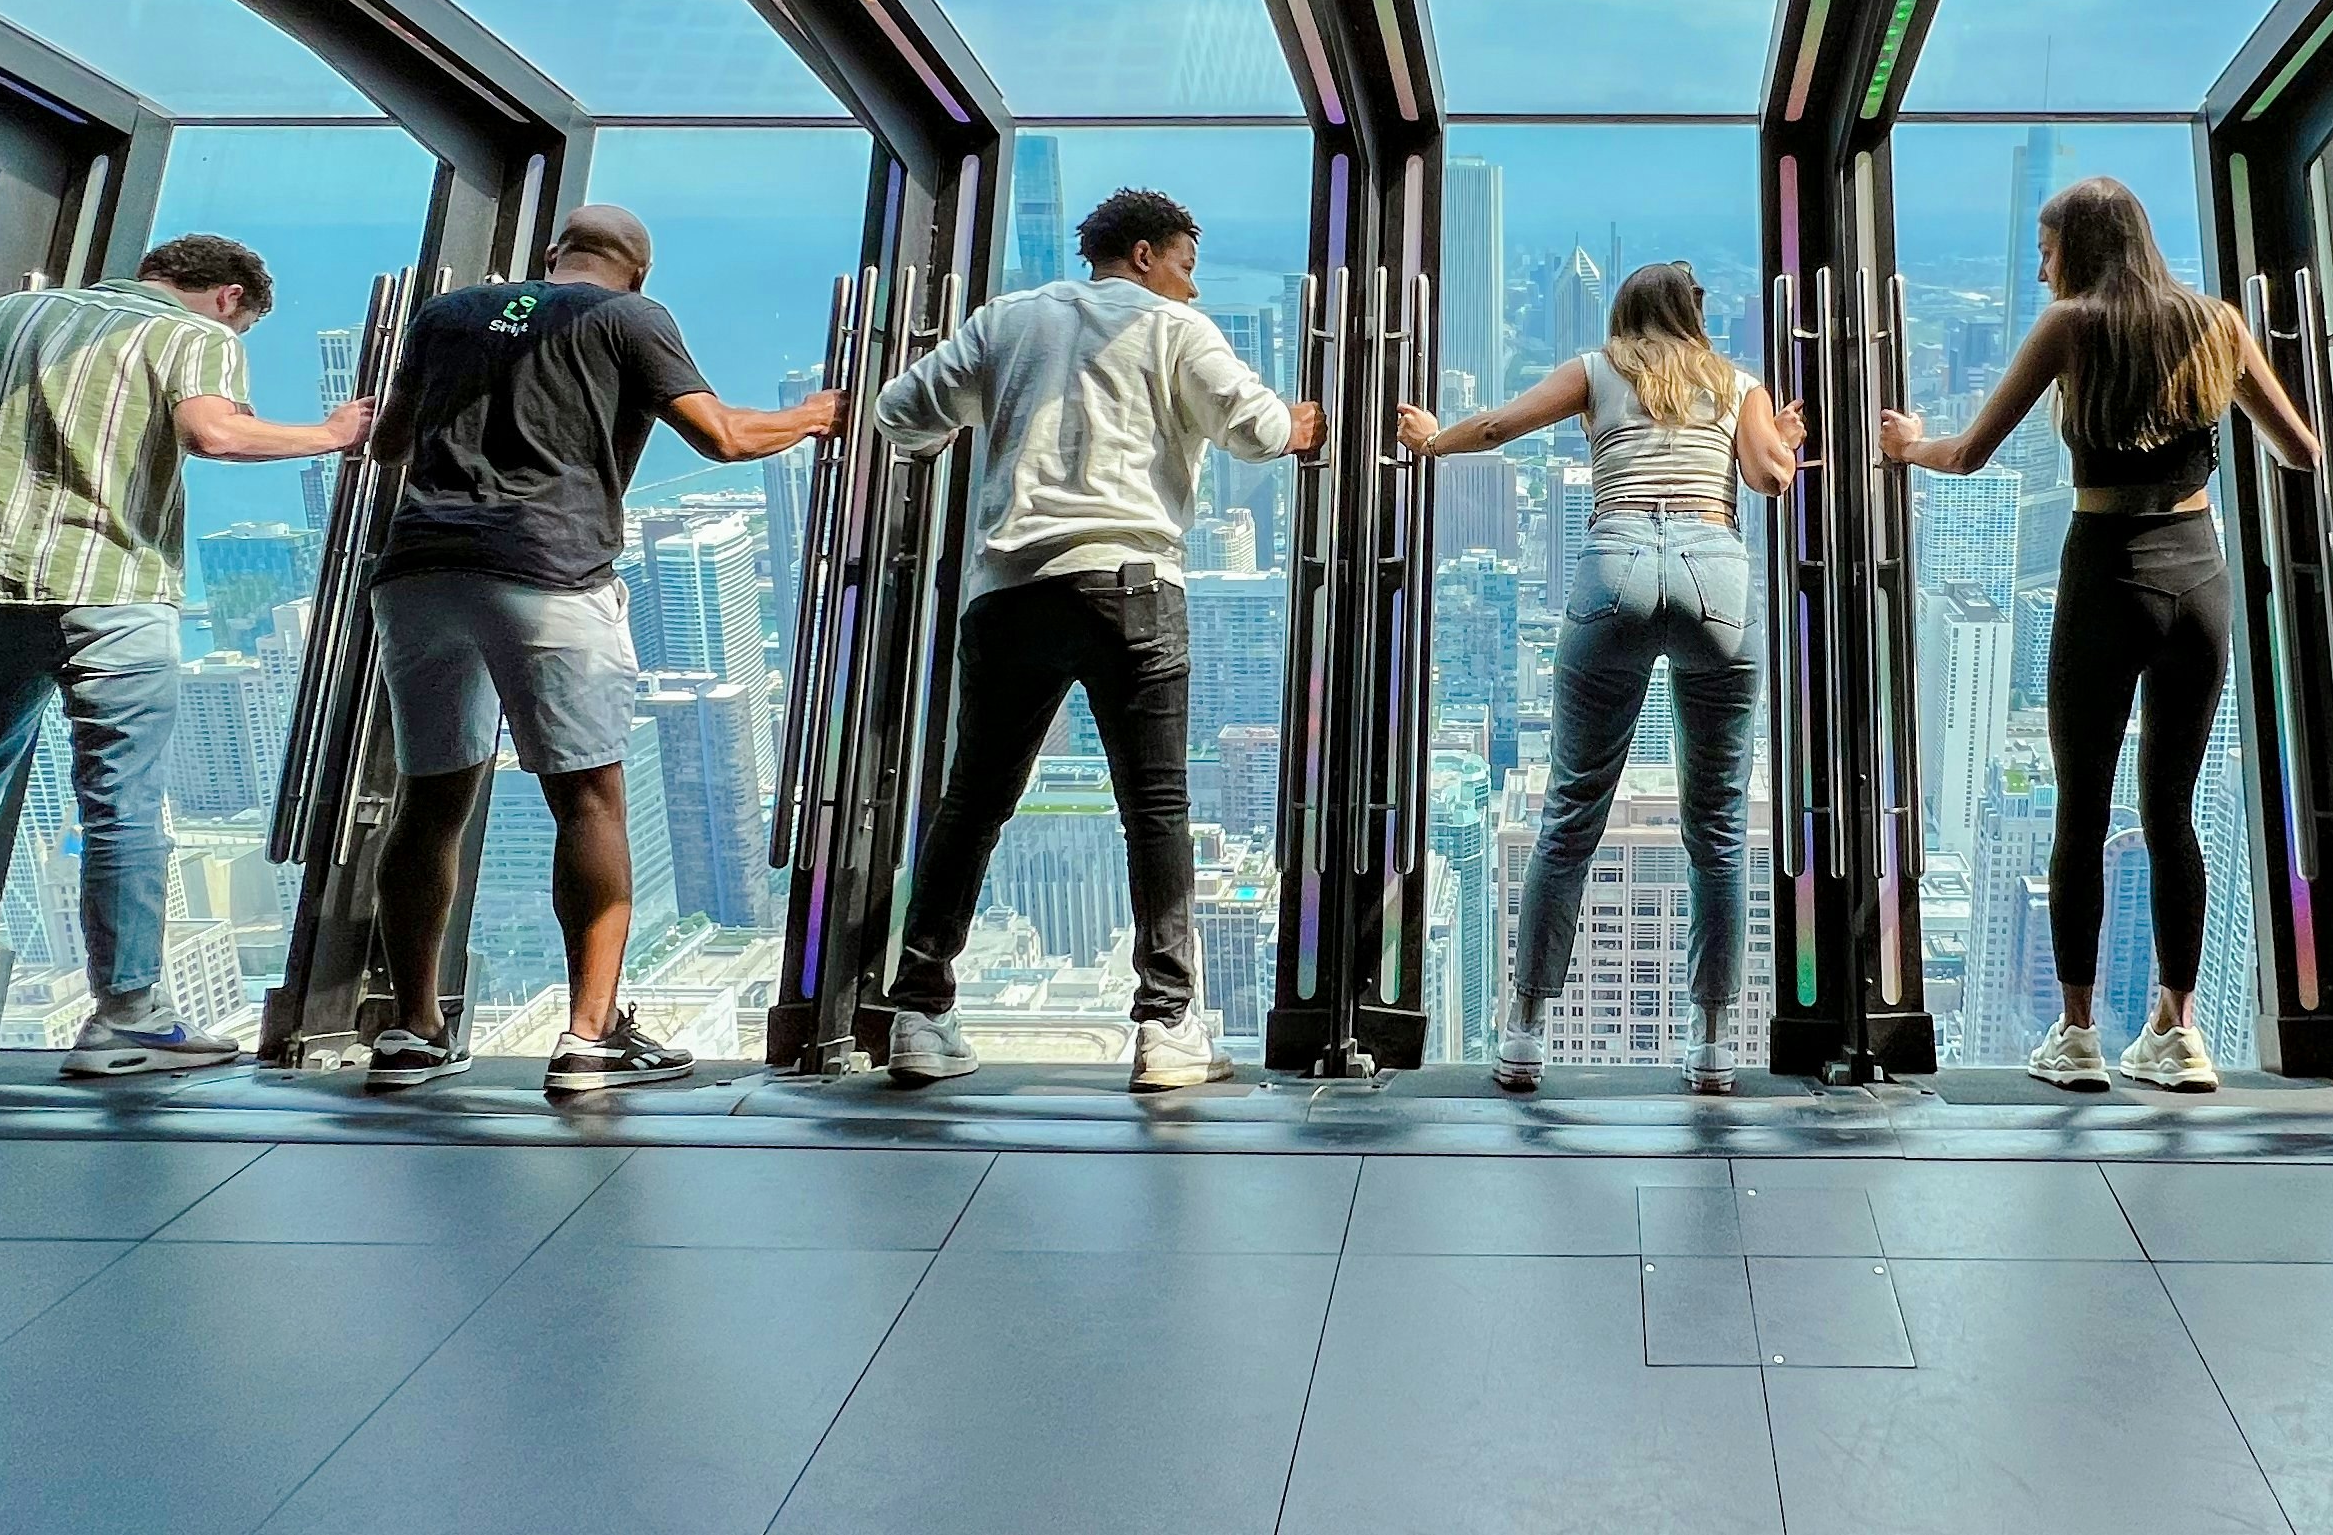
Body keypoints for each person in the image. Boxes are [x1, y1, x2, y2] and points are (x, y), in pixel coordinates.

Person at [0, 235, 373, 1078]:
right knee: (121, 803)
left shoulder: (12, 315)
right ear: (228, 297)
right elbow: (214, 435)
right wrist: (331, 433)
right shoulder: (198, 337)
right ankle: (128, 1017)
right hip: (114, 591)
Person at [359, 205, 840, 1097]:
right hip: (549, 572)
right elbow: (725, 438)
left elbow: (389, 443)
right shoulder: (630, 318)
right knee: (589, 799)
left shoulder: (448, 312)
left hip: (416, 572)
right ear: (640, 272)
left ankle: (412, 1028)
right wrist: (814, 416)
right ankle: (590, 1037)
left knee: (429, 802)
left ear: (550, 256)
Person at [874, 187, 1322, 1094]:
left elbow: (899, 411)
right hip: (1131, 587)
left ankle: (919, 1013)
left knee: (973, 804)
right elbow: (1261, 429)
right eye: (1188, 268)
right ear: (1149, 254)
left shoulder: (1007, 320)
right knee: (1153, 810)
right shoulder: (1172, 328)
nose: (1192, 289)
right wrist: (1300, 425)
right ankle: (1165, 1030)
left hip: (1008, 591)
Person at [1882, 178, 2321, 1093]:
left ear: (2079, 248)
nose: (2041, 268)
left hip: (2105, 573)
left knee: (2081, 810)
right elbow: (2301, 452)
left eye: (2047, 249)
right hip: (2200, 576)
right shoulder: (2218, 324)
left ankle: (2077, 1033)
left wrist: (1908, 444)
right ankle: (2180, 1030)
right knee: (2172, 813)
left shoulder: (2071, 325)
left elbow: (1967, 455)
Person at [1400, 261, 1803, 1094]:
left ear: (1624, 311)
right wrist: (1783, 439)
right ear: (1694, 316)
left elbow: (1500, 427)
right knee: (1718, 829)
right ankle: (1715, 1042)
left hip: (1613, 566)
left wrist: (1431, 438)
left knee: (1569, 817)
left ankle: (1522, 1032)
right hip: (1713, 575)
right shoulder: (1736, 382)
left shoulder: (1596, 368)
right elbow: (1770, 477)